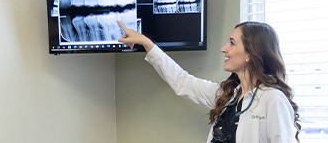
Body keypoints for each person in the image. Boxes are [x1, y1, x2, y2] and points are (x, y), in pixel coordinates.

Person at [117, 20, 301, 143]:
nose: (224, 49)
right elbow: (183, 82)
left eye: (231, 43)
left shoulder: (272, 99)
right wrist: (148, 44)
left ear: (250, 54)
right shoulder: (228, 95)